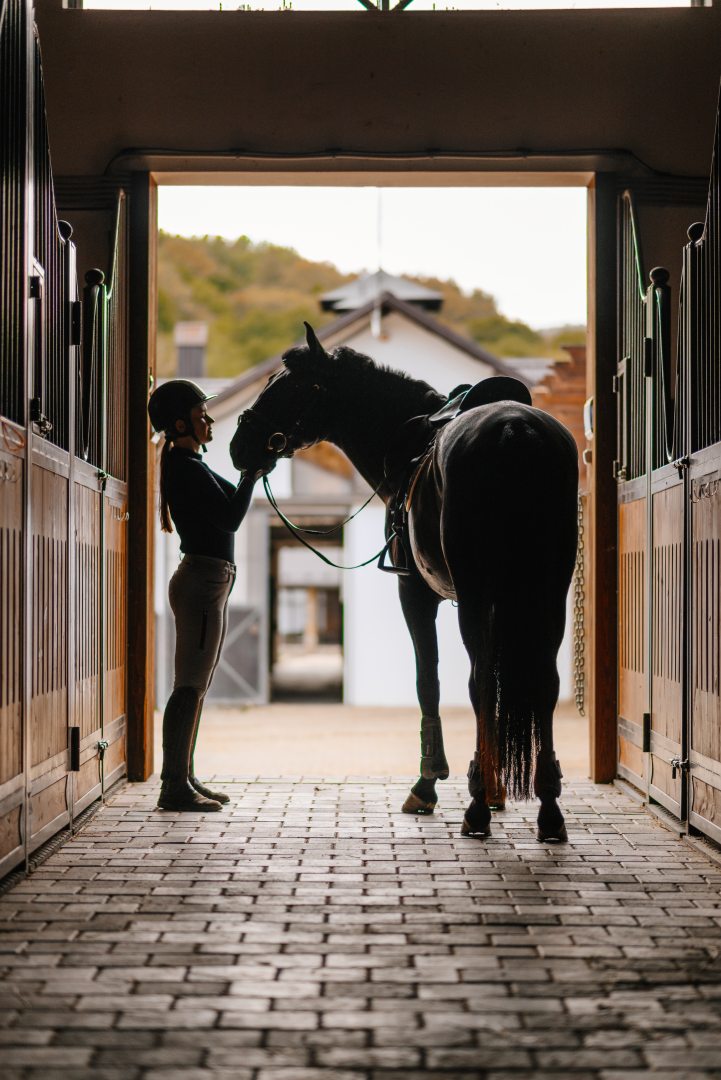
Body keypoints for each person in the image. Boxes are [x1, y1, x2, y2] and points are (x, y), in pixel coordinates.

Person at [148, 379, 272, 811]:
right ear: (181, 423)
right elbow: (231, 517)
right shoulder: (186, 468)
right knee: (188, 687)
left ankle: (184, 775)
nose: (209, 419)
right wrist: (252, 476)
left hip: (207, 580)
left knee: (194, 686)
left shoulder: (190, 464)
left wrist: (251, 473)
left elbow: (231, 497)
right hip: (203, 582)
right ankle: (173, 785)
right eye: (201, 415)